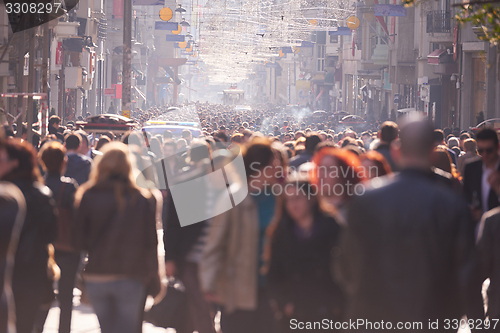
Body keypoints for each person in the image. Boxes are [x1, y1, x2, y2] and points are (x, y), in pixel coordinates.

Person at [339, 120, 481, 330]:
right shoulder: (451, 203)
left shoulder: (367, 198)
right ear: (433, 152)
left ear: (397, 151)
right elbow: (467, 273)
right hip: (433, 316)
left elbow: (346, 262)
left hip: (376, 315)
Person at [74, 142, 162, 333]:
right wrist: (155, 277)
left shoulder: (88, 195)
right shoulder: (143, 198)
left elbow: (78, 240)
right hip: (131, 275)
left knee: (107, 329)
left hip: (98, 274)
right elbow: (151, 242)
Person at [199, 138, 281, 333]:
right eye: (274, 164)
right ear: (262, 167)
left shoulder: (280, 196)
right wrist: (209, 284)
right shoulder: (232, 198)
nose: (279, 169)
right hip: (239, 288)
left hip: (274, 288)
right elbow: (215, 243)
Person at [266, 176, 344, 333]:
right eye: (288, 200)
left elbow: (345, 267)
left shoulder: (332, 227)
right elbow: (274, 271)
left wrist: (338, 302)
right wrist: (284, 303)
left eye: (297, 198)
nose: (293, 205)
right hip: (296, 312)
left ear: (311, 198)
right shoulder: (281, 233)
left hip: (328, 310)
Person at [1, 138, 58, 333]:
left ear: (14, 163)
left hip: (19, 272)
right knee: (24, 325)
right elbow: (51, 234)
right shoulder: (41, 194)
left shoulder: (10, 196)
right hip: (31, 273)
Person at [39, 141, 79, 333]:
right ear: (63, 161)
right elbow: (77, 219)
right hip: (67, 247)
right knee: (66, 295)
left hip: (42, 248)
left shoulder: (37, 186)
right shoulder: (70, 187)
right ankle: (64, 329)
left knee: (40, 291)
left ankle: (38, 327)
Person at [463, 128, 500, 224]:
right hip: (477, 228)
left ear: (497, 147)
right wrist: (470, 209)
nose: (485, 154)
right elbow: (465, 197)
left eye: (489, 150)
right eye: (480, 150)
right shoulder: (471, 168)